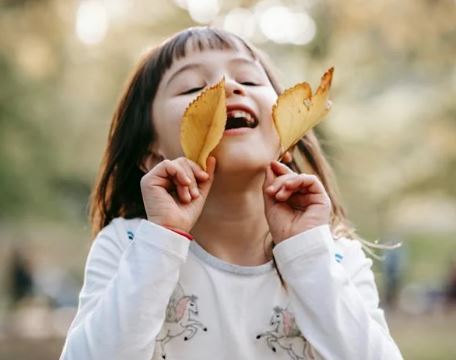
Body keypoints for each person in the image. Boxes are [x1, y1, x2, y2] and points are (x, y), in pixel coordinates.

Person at [60, 27, 403, 359]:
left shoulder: (336, 257)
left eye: (250, 80)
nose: (227, 87)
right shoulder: (128, 245)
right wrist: (162, 240)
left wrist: (305, 253)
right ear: (153, 156)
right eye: (191, 86)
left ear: (288, 134)